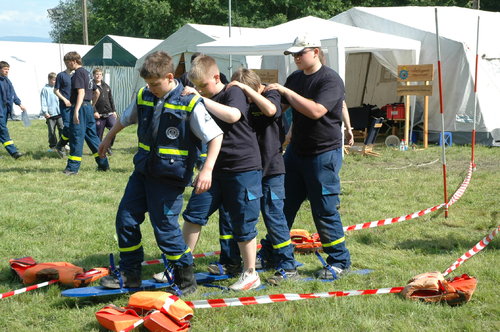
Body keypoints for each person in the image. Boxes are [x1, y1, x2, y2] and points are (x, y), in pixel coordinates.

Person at [97, 51, 223, 296]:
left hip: (169, 177)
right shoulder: (145, 95)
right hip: (143, 171)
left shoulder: (188, 101)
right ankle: (129, 273)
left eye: (155, 84)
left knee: (164, 229)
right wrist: (108, 138)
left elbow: (216, 135)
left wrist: (207, 169)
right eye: (147, 83)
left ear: (168, 77)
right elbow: (126, 118)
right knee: (126, 219)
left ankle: (186, 280)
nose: (150, 88)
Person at [265, 34, 351, 279]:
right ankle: (273, 253)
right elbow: (277, 108)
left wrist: (284, 90)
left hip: (324, 154)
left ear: (315, 51)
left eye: (299, 54)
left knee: (324, 210)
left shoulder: (330, 80)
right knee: (283, 207)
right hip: (295, 153)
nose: (296, 59)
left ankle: (339, 261)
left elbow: (316, 111)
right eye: (293, 55)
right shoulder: (294, 78)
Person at [174, 55, 263, 291]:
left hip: (243, 168)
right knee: (194, 214)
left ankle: (250, 273)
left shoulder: (232, 91)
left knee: (243, 222)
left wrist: (199, 98)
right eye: (198, 87)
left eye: (204, 85)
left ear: (216, 77)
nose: (201, 90)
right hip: (213, 170)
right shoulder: (204, 98)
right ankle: (182, 267)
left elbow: (233, 115)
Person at [211, 68, 298, 285]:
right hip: (244, 170)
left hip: (271, 170)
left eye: (245, 93)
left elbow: (270, 111)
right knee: (232, 216)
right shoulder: (238, 100)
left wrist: (245, 89)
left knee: (273, 215)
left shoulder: (270, 94)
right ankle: (230, 261)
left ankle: (287, 265)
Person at [62, 51, 109, 175]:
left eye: (67, 63)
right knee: (93, 138)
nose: (67, 66)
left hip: (81, 107)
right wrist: (91, 106)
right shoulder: (87, 73)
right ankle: (103, 164)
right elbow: (97, 92)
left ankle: (72, 168)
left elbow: (81, 92)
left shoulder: (78, 73)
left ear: (74, 61)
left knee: (76, 137)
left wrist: (76, 110)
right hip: (87, 108)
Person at [0, 61, 26, 159]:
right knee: (3, 130)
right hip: (0, 111)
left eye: (8, 69)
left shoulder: (7, 81)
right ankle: (13, 152)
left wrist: (19, 103)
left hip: (6, 110)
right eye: (5, 69)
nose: (7, 71)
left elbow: (13, 94)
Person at [92, 68, 117, 153]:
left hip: (109, 113)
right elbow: (90, 101)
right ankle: (99, 149)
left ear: (102, 76)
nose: (98, 76)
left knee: (114, 129)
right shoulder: (90, 86)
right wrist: (94, 111)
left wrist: (114, 111)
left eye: (100, 74)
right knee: (98, 134)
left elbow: (111, 99)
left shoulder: (106, 86)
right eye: (96, 74)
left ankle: (108, 147)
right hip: (98, 115)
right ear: (93, 75)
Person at [53, 59, 74, 157]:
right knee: (68, 126)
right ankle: (60, 145)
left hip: (76, 105)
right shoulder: (61, 75)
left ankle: (66, 145)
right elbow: (56, 90)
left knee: (75, 127)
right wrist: (65, 100)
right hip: (65, 106)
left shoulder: (76, 75)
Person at [40, 72, 64, 152]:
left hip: (59, 113)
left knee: (62, 128)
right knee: (52, 131)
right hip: (50, 114)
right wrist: (45, 112)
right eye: (54, 80)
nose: (55, 82)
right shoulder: (45, 90)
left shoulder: (58, 88)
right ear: (49, 79)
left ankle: (63, 144)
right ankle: (53, 146)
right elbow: (43, 102)